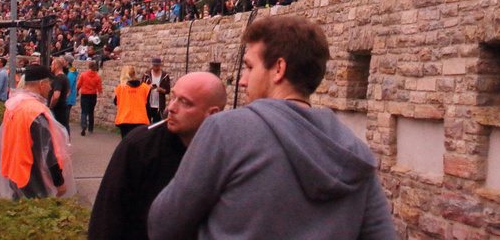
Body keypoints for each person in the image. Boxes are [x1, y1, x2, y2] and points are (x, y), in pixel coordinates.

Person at [148, 16, 396, 240]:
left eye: (249, 67)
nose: (242, 81)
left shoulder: (226, 130)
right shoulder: (355, 150)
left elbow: (164, 224)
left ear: (279, 69)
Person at [88, 72, 227, 240]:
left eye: (185, 102)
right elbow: (106, 217)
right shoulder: (139, 145)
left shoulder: (225, 153)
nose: (171, 108)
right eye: (174, 97)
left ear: (211, 114)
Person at [0, 64, 75, 199]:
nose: (51, 88)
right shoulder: (35, 110)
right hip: (32, 175)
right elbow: (46, 149)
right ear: (41, 84)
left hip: (14, 172)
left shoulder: (14, 105)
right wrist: (59, 181)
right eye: (49, 84)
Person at [115, 66, 150, 137]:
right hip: (141, 120)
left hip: (125, 120)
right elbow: (148, 105)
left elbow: (115, 101)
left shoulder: (121, 87)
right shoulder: (144, 87)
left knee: (126, 144)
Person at [140, 58, 170, 124]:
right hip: (148, 104)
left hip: (159, 105)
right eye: (154, 65)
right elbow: (141, 88)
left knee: (156, 124)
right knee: (147, 123)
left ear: (160, 65)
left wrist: (161, 89)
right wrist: (148, 88)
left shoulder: (165, 76)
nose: (156, 67)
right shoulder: (146, 75)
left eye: (157, 65)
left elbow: (167, 91)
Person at [77, 60, 102, 136]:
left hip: (84, 94)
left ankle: (84, 124)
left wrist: (77, 91)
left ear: (89, 67)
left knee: (84, 111)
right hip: (93, 95)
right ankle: (90, 128)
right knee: (91, 111)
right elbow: (99, 87)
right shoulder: (97, 77)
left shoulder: (83, 75)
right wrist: (100, 93)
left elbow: (79, 84)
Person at [48, 58, 70, 133]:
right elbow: (68, 91)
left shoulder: (58, 78)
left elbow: (56, 95)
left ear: (56, 66)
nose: (51, 66)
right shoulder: (65, 77)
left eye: (52, 65)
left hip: (57, 109)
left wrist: (50, 106)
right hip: (63, 107)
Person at [64, 55, 78, 123]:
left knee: (66, 113)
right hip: (69, 95)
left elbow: (68, 83)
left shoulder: (71, 72)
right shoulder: (68, 71)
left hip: (69, 96)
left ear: (67, 62)